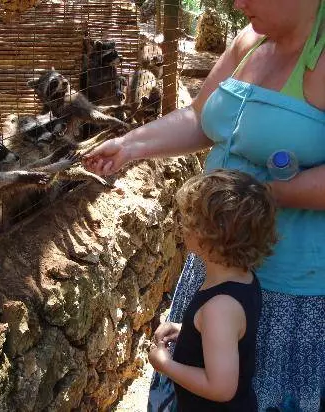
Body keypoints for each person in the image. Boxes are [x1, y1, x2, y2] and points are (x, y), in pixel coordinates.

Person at [83, 0, 325, 410]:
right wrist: (131, 145)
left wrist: (263, 193)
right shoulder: (250, 39)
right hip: (216, 265)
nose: (237, 4)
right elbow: (201, 118)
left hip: (292, 290)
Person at [148, 169, 277, 412]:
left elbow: (221, 388)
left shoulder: (220, 307)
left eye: (189, 219)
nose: (183, 224)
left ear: (211, 235)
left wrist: (165, 364)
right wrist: (187, 332)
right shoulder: (243, 278)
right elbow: (228, 339)